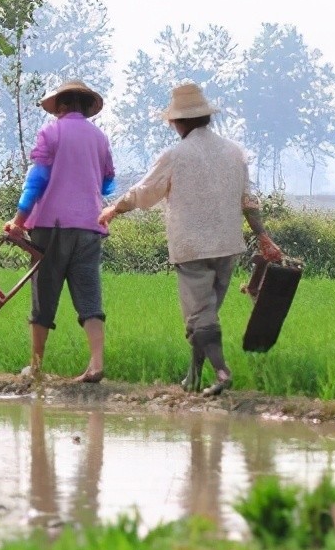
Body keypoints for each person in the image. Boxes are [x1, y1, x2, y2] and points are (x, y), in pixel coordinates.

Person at [98, 83, 283, 397]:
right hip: (227, 246)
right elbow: (248, 201)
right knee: (205, 316)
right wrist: (263, 237)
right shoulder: (234, 152)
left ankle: (222, 372)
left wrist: (115, 208)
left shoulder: (176, 155)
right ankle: (193, 378)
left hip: (192, 247)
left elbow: (145, 192)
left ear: (178, 122)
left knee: (199, 317)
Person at [4, 79, 115, 383]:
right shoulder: (100, 138)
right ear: (85, 106)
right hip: (90, 227)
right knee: (89, 296)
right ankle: (96, 363)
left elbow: (36, 181)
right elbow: (108, 184)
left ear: (63, 106)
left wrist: (17, 221)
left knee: (44, 295)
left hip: (50, 228)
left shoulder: (51, 132)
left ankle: (37, 366)